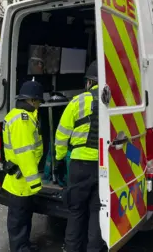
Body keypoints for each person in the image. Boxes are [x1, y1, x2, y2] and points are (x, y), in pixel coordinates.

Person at [55, 60, 105, 252]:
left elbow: (61, 135)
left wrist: (59, 160)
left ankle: (71, 249)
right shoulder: (111, 101)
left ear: (89, 82)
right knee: (96, 211)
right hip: (102, 167)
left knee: (75, 211)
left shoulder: (77, 102)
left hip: (78, 166)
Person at [1, 80, 44, 252]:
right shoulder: (22, 120)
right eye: (39, 101)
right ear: (32, 100)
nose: (40, 105)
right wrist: (35, 183)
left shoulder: (17, 115)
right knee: (18, 219)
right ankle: (20, 249)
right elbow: (25, 154)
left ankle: (23, 246)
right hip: (22, 180)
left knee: (23, 217)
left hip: (20, 178)